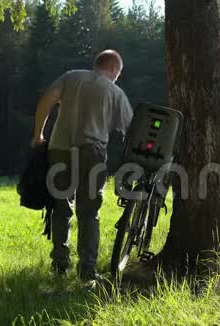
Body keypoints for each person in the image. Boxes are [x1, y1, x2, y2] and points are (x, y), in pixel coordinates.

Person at [31, 50, 133, 282]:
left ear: (96, 64)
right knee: (89, 212)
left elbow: (46, 100)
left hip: (59, 148)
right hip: (92, 152)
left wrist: (38, 135)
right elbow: (131, 130)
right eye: (119, 73)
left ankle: (60, 263)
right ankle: (87, 270)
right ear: (115, 70)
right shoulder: (115, 92)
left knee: (61, 207)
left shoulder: (71, 77)